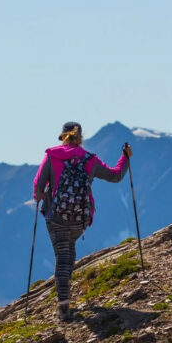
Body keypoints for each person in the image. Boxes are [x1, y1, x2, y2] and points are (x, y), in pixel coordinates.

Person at [33, 121, 132, 322]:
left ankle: (64, 308)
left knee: (62, 257)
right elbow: (115, 175)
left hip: (56, 217)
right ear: (80, 138)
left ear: (63, 137)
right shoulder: (90, 159)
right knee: (69, 253)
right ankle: (66, 302)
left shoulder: (52, 156)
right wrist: (125, 157)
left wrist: (40, 197)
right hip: (79, 219)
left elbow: (38, 185)